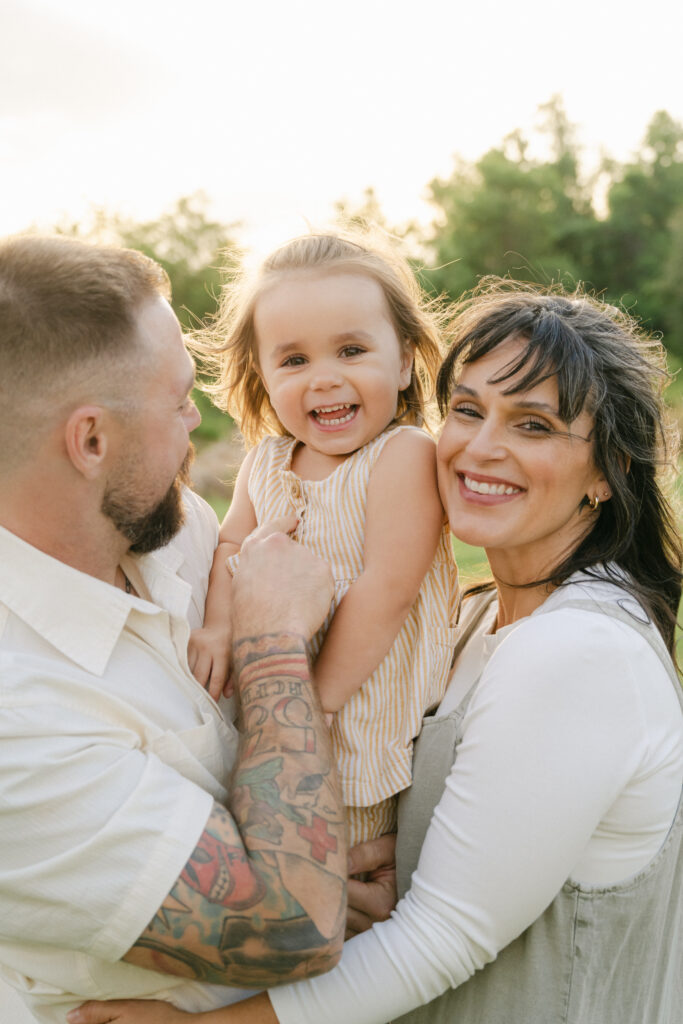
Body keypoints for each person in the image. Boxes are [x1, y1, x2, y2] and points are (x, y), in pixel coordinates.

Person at [73, 279, 683, 1024]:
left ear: (608, 473)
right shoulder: (479, 623)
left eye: (532, 426)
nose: (479, 447)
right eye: (466, 410)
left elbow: (445, 935)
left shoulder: (578, 651)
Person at [0, 235, 348, 1024]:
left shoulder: (175, 526)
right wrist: (269, 646)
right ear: (91, 441)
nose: (200, 417)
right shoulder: (15, 712)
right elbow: (292, 925)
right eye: (179, 396)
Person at [186, 232, 459, 846]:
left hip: (358, 719)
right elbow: (233, 547)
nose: (325, 379)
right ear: (261, 372)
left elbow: (386, 590)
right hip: (275, 725)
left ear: (405, 358)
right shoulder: (266, 463)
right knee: (280, 857)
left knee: (352, 861)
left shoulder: (402, 456)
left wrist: (318, 708)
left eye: (352, 350)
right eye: (294, 360)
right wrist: (218, 624)